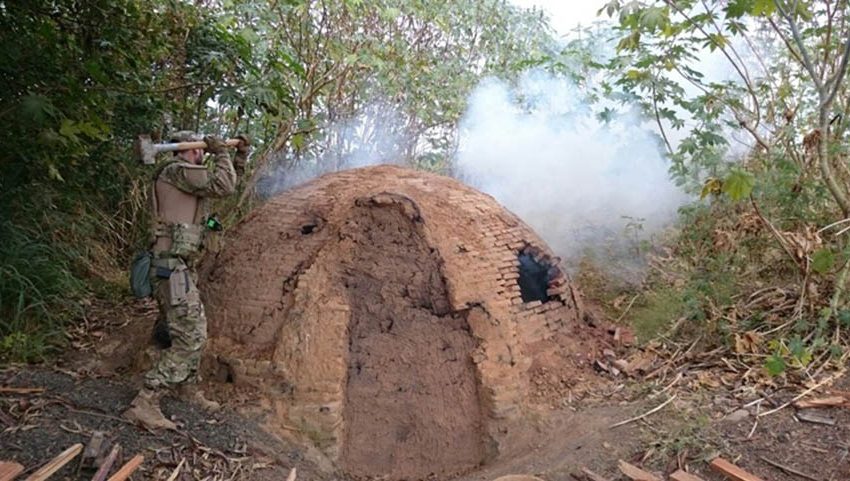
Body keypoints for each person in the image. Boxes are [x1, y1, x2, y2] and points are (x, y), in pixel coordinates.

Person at [124, 130, 250, 430]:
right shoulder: (177, 171)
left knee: (190, 328)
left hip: (179, 265)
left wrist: (239, 157)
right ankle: (146, 399)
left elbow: (229, 185)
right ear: (186, 151)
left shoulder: (188, 176)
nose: (202, 154)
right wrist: (221, 152)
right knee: (192, 334)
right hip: (170, 267)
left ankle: (187, 387)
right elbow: (223, 184)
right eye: (199, 150)